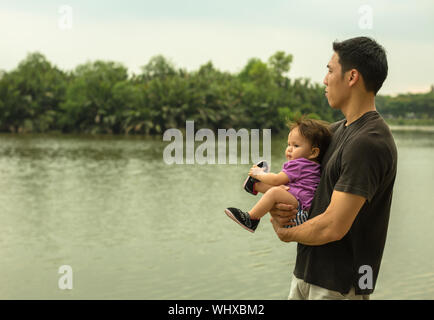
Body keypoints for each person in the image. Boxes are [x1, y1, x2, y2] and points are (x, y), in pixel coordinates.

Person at [269, 36, 397, 300]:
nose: (325, 80)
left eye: (329, 70)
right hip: (306, 275)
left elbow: (333, 226)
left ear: (352, 77)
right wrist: (279, 204)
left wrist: (286, 233)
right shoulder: (334, 132)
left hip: (338, 286)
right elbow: (304, 185)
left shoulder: (369, 141)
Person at [224, 118, 332, 233]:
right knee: (280, 189)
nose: (289, 149)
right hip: (304, 209)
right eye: (288, 144)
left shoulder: (299, 164)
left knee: (275, 192)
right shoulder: (312, 165)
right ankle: (255, 186)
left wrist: (258, 174)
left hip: (300, 210)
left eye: (296, 146)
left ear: (313, 152)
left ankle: (252, 218)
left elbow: (276, 180)